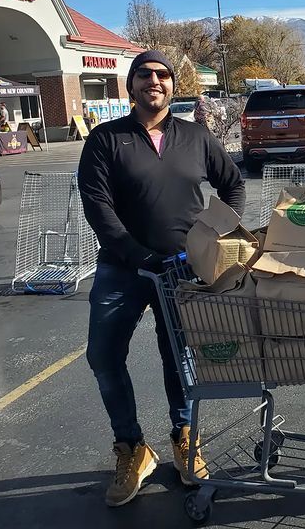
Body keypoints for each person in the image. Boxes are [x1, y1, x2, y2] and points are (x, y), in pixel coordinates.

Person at [78, 50, 246, 508]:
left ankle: (184, 438)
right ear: (130, 85)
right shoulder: (105, 140)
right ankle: (132, 448)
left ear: (173, 85)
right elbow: (98, 206)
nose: (154, 80)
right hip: (122, 269)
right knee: (104, 356)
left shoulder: (195, 137)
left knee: (181, 357)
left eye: (163, 75)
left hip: (181, 269)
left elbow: (232, 183)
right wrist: (136, 255)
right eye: (145, 74)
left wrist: (218, 236)